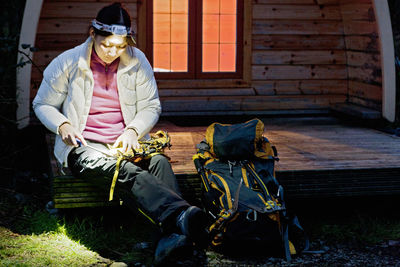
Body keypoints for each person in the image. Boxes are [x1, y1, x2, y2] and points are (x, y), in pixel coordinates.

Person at [32, 2, 208, 264]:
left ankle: (172, 239)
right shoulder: (67, 62)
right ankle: (181, 217)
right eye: (107, 45)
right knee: (123, 170)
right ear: (92, 34)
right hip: (84, 146)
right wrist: (63, 125)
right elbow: (42, 104)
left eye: (120, 45)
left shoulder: (138, 62)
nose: (113, 52)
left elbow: (150, 105)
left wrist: (133, 131)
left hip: (127, 142)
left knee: (158, 162)